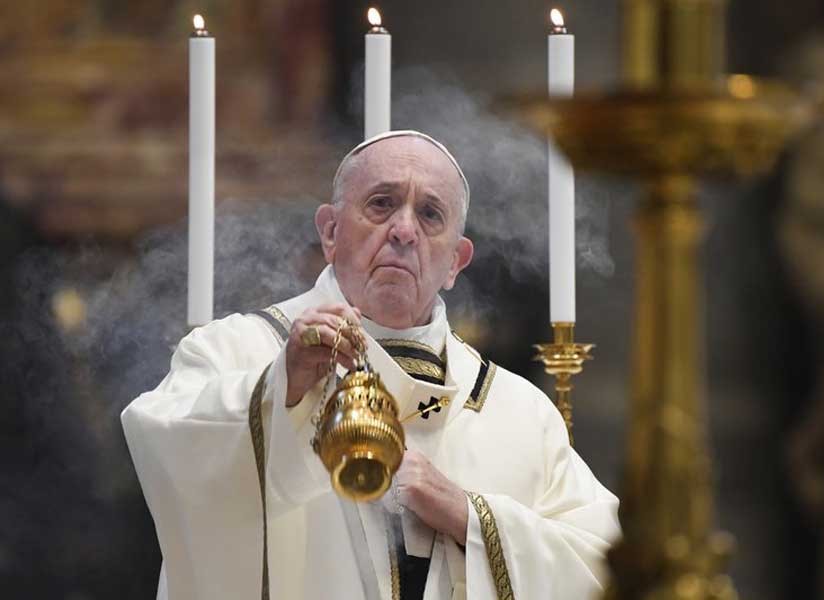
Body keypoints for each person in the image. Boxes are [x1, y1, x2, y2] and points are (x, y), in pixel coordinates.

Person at [122, 130, 620, 600]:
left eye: (430, 214)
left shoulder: (518, 412)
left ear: (456, 263)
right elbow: (164, 443)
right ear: (331, 231)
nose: (404, 230)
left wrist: (471, 516)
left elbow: (605, 565)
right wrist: (284, 389)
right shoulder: (238, 350)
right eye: (381, 204)